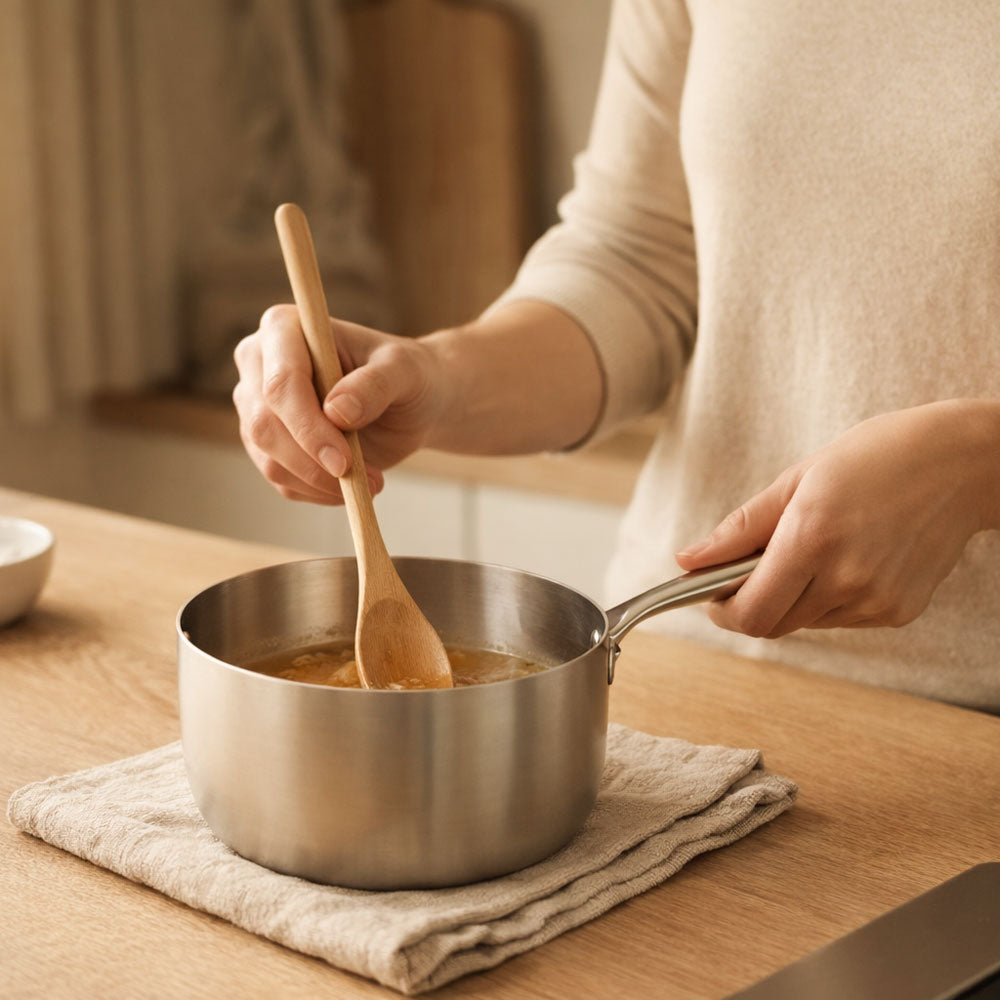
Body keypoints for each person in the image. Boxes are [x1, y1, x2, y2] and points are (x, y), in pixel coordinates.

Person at [233, 0, 1000, 712]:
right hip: (677, 666)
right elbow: (640, 255)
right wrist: (439, 377)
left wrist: (976, 465)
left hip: (975, 713)